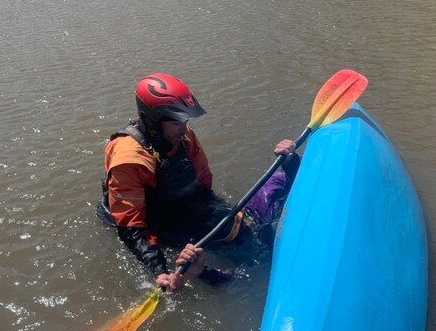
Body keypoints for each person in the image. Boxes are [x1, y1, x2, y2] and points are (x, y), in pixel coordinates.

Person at [98, 73, 300, 291]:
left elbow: (204, 183)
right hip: (157, 218)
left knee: (270, 192)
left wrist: (289, 160)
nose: (184, 129)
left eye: (185, 121)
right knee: (259, 257)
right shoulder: (129, 160)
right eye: (176, 122)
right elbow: (132, 227)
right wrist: (160, 270)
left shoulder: (182, 138)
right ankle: (204, 272)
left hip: (188, 205)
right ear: (153, 121)